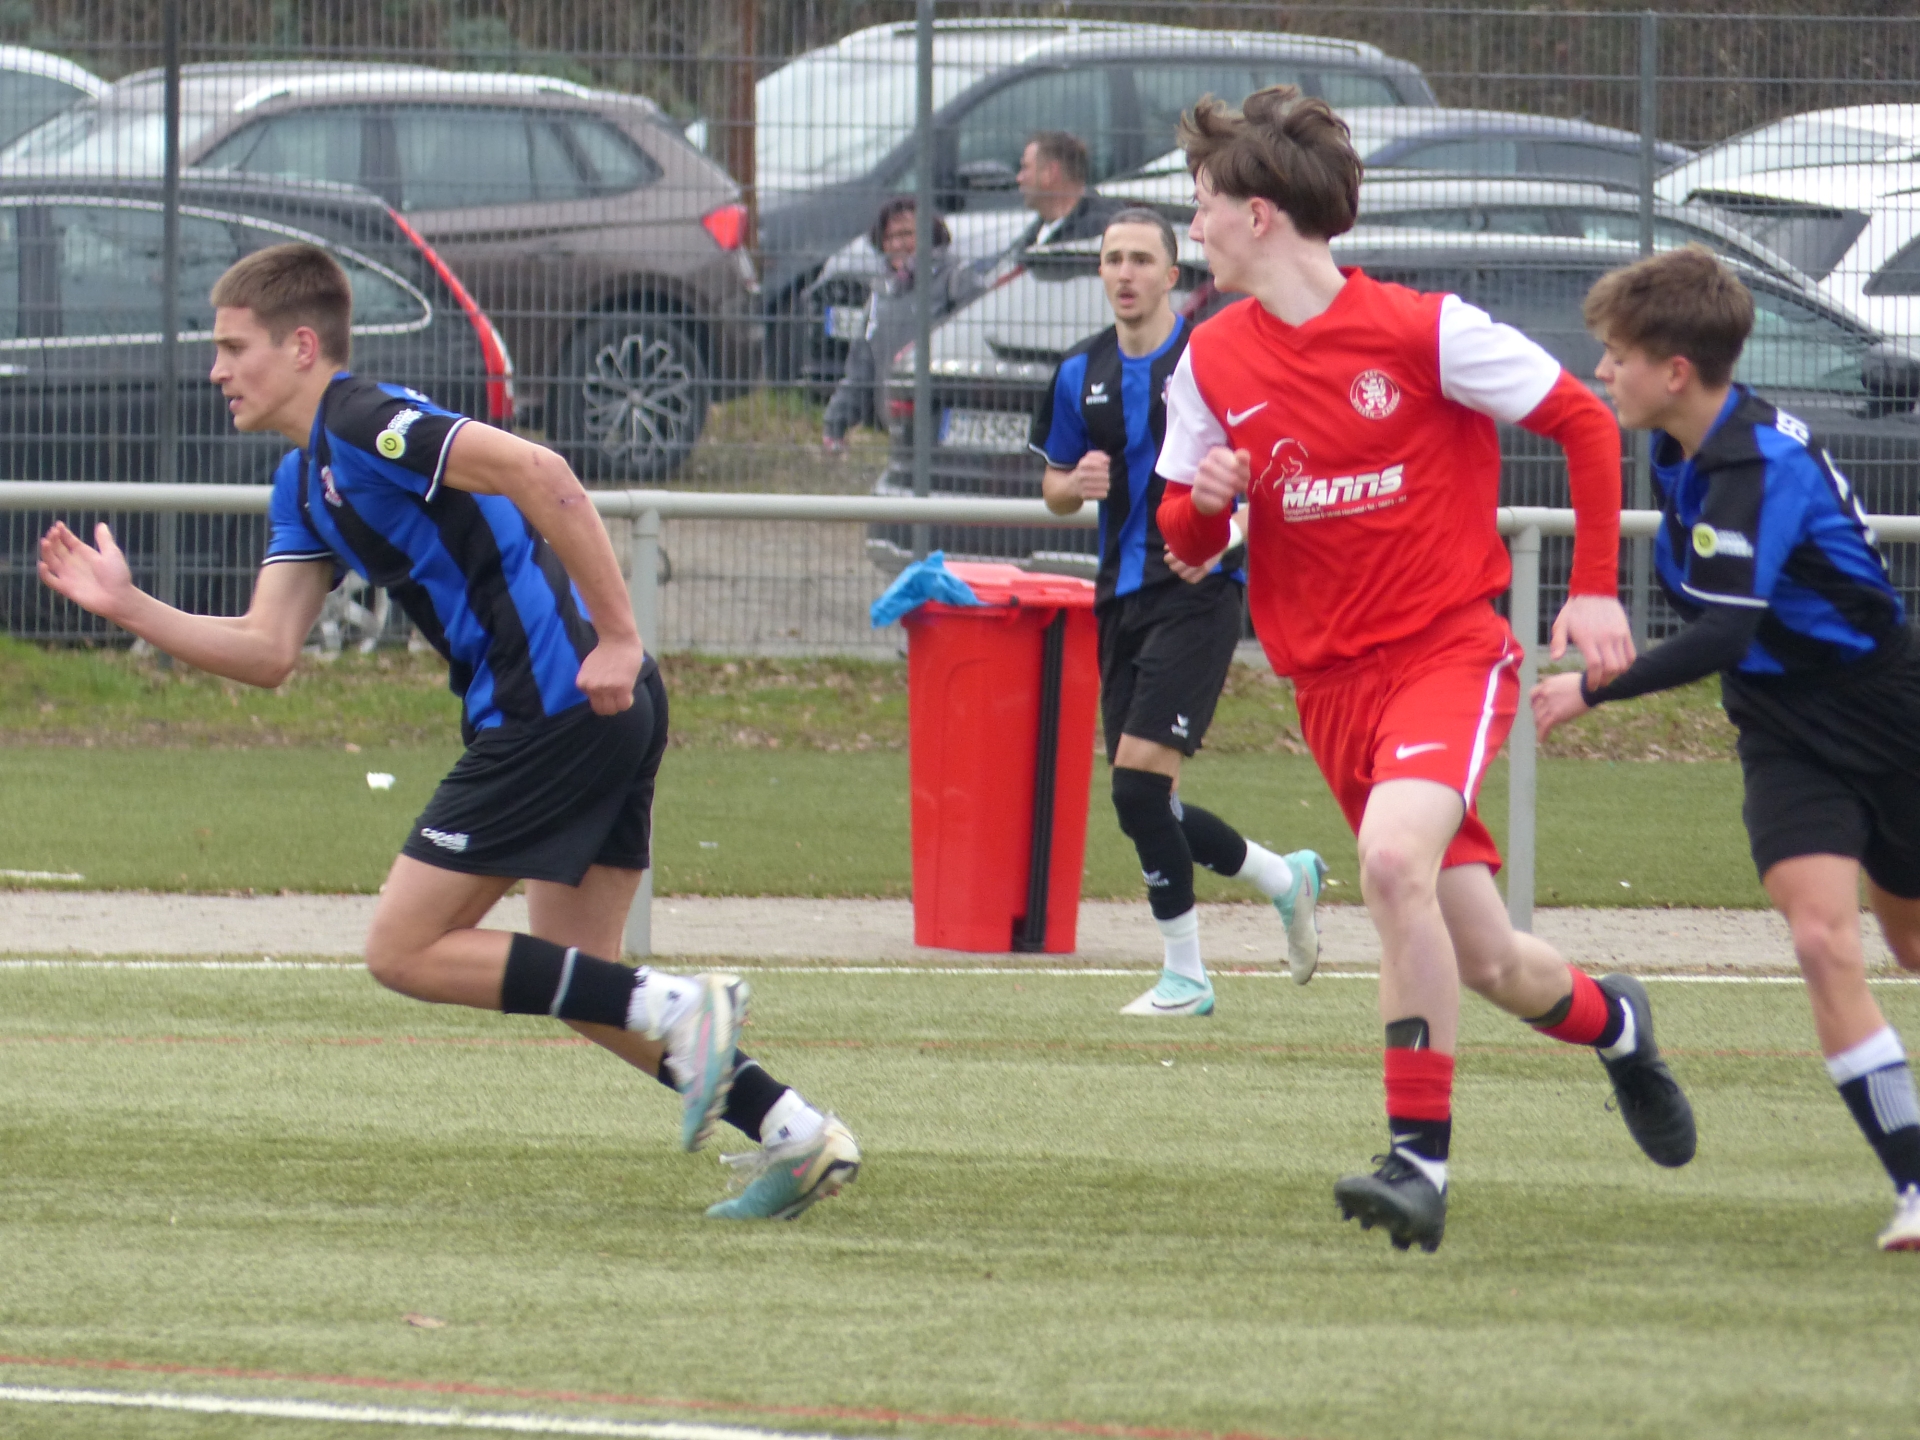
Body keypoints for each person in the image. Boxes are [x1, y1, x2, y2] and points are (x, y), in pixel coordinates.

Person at [37, 243, 860, 1222]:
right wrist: (129, 607)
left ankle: (686, 1007)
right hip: (595, 709)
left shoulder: (365, 419)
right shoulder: (304, 481)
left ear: (300, 346)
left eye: (232, 347)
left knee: (404, 949)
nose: (216, 369)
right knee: (585, 986)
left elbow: (540, 468)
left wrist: (620, 633)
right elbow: (267, 650)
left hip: (554, 706)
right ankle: (792, 1131)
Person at [1154, 88, 1697, 1253]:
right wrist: (1203, 502)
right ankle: (1618, 1026)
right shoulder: (1210, 358)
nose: (1190, 227)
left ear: (1258, 213)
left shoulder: (1424, 331)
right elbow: (1182, 541)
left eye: (1199, 203)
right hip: (1329, 691)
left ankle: (1417, 1163)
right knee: (1490, 959)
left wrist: (1595, 586)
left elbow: (1585, 422)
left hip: (1445, 652)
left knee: (1392, 864)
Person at [1534, 246, 1920, 1252]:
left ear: (1675, 371)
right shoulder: (1683, 447)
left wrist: (1592, 688)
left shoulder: (1756, 466)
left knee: (1913, 944)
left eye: (1615, 355)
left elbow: (1722, 634)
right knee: (1821, 939)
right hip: (1784, 727)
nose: (1599, 371)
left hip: (1888, 711)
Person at [1032, 206, 1326, 1016]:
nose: (1124, 273)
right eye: (1112, 259)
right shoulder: (1078, 371)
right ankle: (1283, 878)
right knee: (1145, 800)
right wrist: (1072, 485)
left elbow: (1265, 471)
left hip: (1199, 590)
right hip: (1118, 598)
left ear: (1171, 274)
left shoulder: (1212, 359)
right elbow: (1054, 487)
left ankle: (1187, 976)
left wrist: (1225, 541)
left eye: (1141, 259)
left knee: (1136, 790)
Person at [823, 197, 984, 454]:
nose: (897, 244)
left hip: (948, 428)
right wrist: (835, 424)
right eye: (890, 237)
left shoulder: (957, 278)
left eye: (907, 234)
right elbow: (860, 369)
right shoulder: (880, 294)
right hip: (900, 428)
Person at [1013, 131, 1123, 251]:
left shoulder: (1102, 230)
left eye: (1025, 167)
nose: (1019, 178)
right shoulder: (1038, 230)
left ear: (1050, 172)